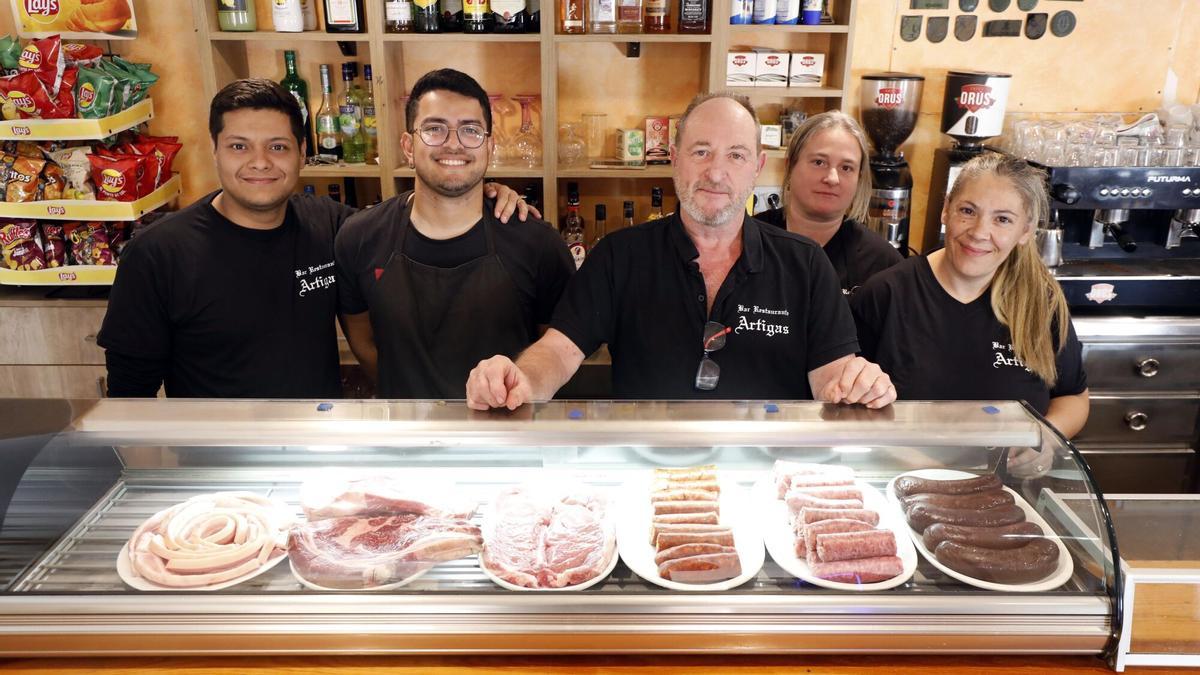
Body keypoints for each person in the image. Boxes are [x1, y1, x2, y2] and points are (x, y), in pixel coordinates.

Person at [98, 78, 534, 398]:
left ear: (302, 154)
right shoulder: (157, 253)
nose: (260, 163)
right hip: (215, 454)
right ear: (213, 150)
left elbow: (417, 216)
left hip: (316, 445)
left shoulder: (331, 227)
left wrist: (484, 193)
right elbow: (128, 393)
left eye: (278, 146)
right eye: (238, 147)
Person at [465, 92, 896, 410]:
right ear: (674, 159)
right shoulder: (620, 256)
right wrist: (521, 377)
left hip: (764, 475)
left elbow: (832, 376)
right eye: (701, 151)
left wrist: (859, 382)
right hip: (647, 470)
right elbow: (558, 351)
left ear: (758, 167)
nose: (716, 172)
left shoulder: (804, 264)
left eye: (736, 155)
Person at [335, 69, 575, 398]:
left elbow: (556, 351)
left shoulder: (537, 243)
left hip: (507, 437)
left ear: (489, 146)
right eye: (434, 129)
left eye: (470, 130)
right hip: (405, 439)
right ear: (408, 145)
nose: (453, 144)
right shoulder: (359, 237)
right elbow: (364, 343)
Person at [850, 153, 1089, 440]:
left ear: (1025, 231)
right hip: (902, 475)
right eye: (967, 211)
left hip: (1007, 481)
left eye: (1002, 219)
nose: (979, 232)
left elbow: (1073, 398)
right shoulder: (886, 294)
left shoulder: (1042, 303)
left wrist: (1044, 438)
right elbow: (845, 405)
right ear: (946, 210)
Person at [755, 111, 901, 294]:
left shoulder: (883, 266)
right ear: (790, 165)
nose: (832, 178)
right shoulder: (746, 240)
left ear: (859, 178)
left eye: (846, 168)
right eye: (819, 162)